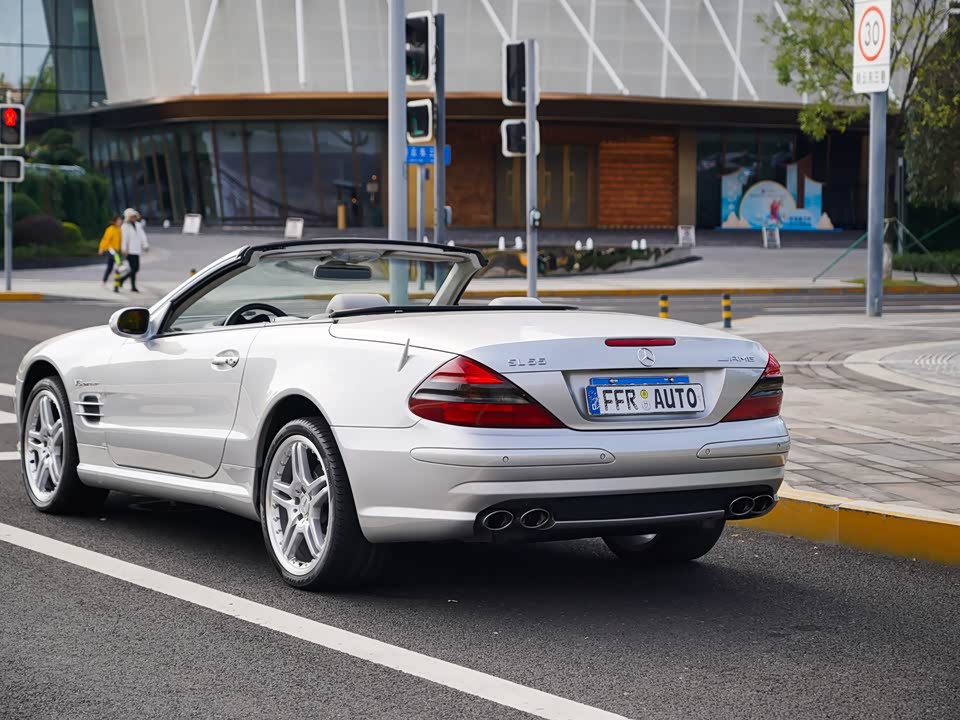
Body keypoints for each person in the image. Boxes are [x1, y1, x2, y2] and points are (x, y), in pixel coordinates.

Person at [119, 208, 149, 292]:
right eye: (132, 216)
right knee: (134, 268)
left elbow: (142, 236)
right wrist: (124, 249)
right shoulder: (125, 226)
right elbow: (124, 239)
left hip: (136, 250)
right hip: (129, 251)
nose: (134, 218)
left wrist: (145, 245)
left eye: (135, 216)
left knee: (136, 268)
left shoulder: (138, 225)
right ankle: (132, 286)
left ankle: (124, 281)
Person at [98, 215, 122, 287]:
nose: (120, 221)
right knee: (118, 261)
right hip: (111, 249)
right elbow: (105, 239)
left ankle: (104, 280)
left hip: (117, 249)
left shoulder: (119, 229)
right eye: (119, 220)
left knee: (110, 267)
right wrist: (101, 248)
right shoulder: (110, 229)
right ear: (115, 221)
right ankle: (120, 264)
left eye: (120, 220)